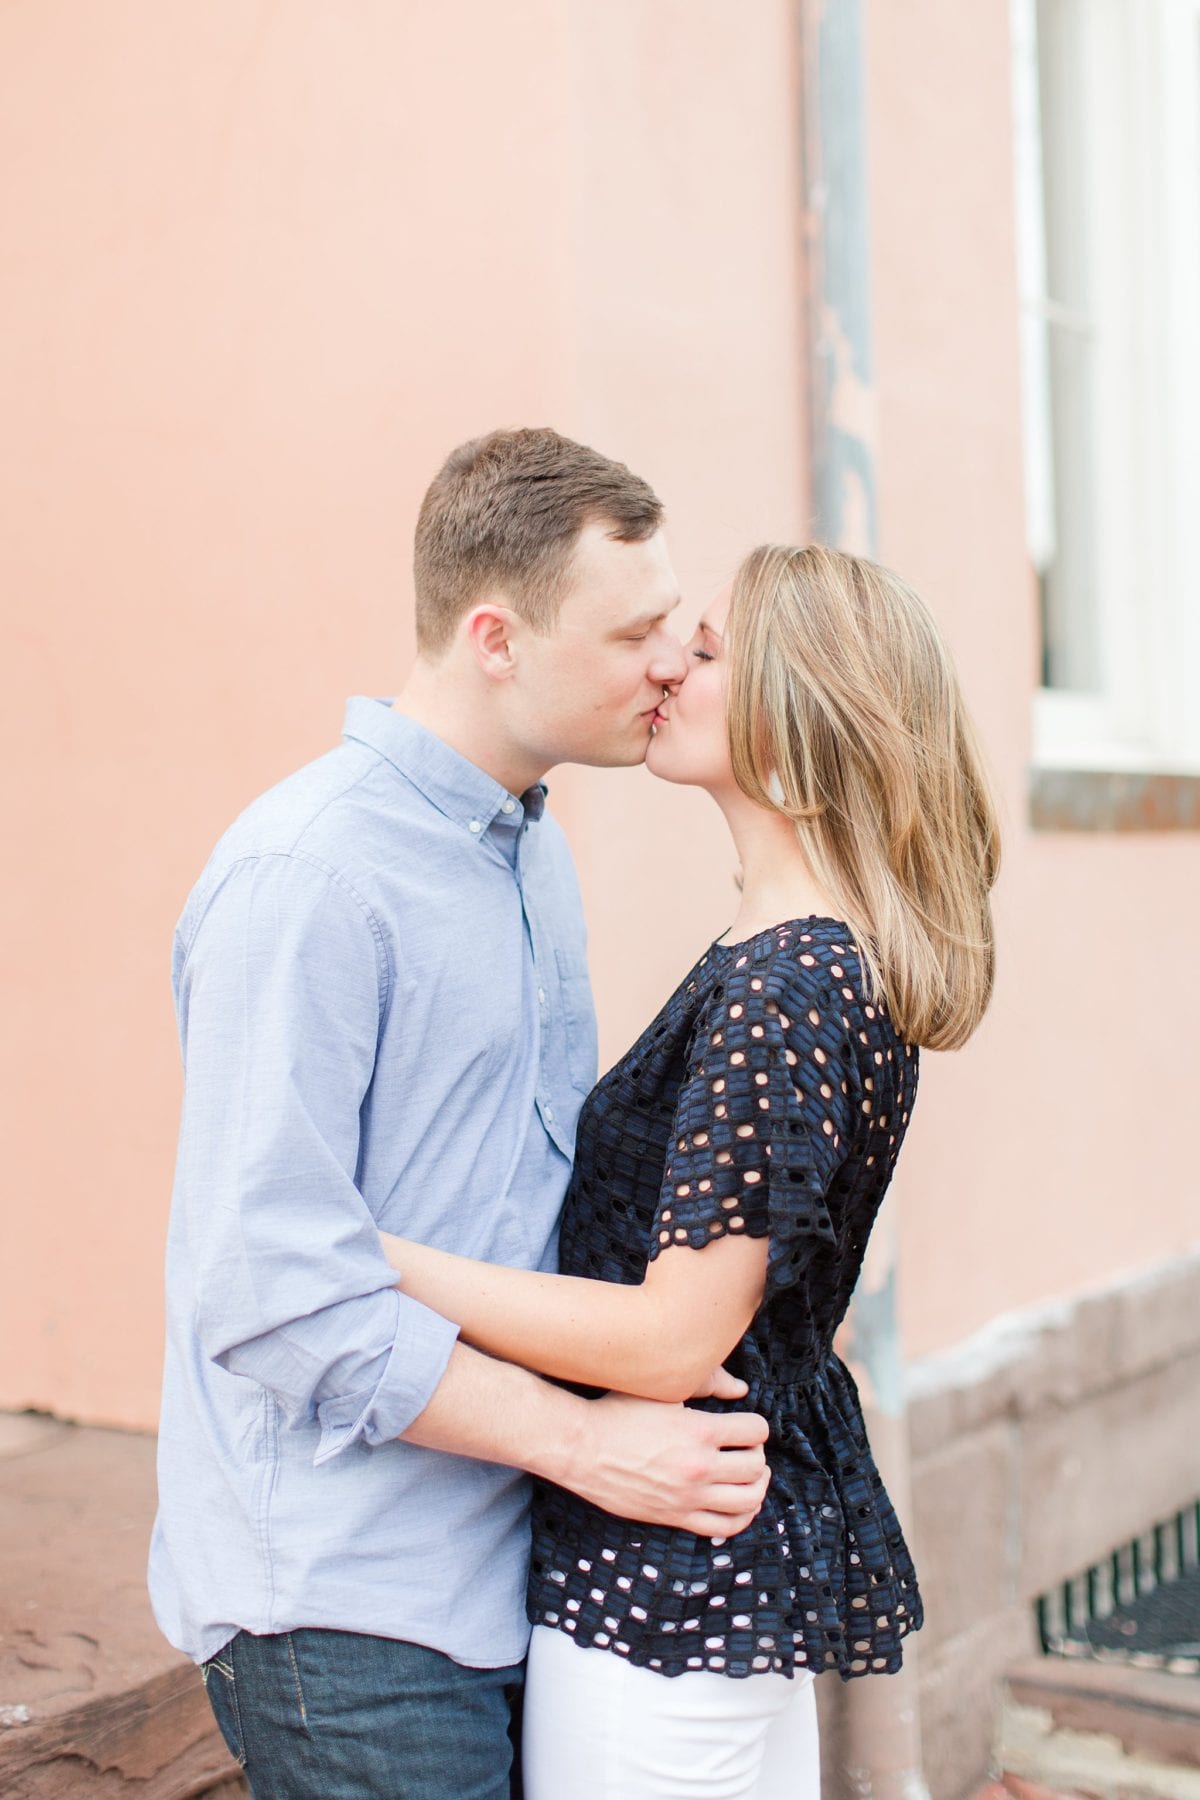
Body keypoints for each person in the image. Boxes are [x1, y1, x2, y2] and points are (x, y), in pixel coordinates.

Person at [150, 428, 773, 1800]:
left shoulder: (530, 845)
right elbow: (268, 1289)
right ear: (496, 637)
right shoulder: (307, 879)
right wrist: (587, 1444)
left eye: (675, 627)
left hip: (512, 1564)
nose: (670, 663)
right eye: (633, 634)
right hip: (347, 1610)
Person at [377, 542, 1002, 1799]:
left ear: (794, 716)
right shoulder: (798, 957)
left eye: (707, 653)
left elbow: (675, 1340)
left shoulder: (785, 989)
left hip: (657, 1605)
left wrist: (378, 1258)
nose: (669, 666)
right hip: (697, 1583)